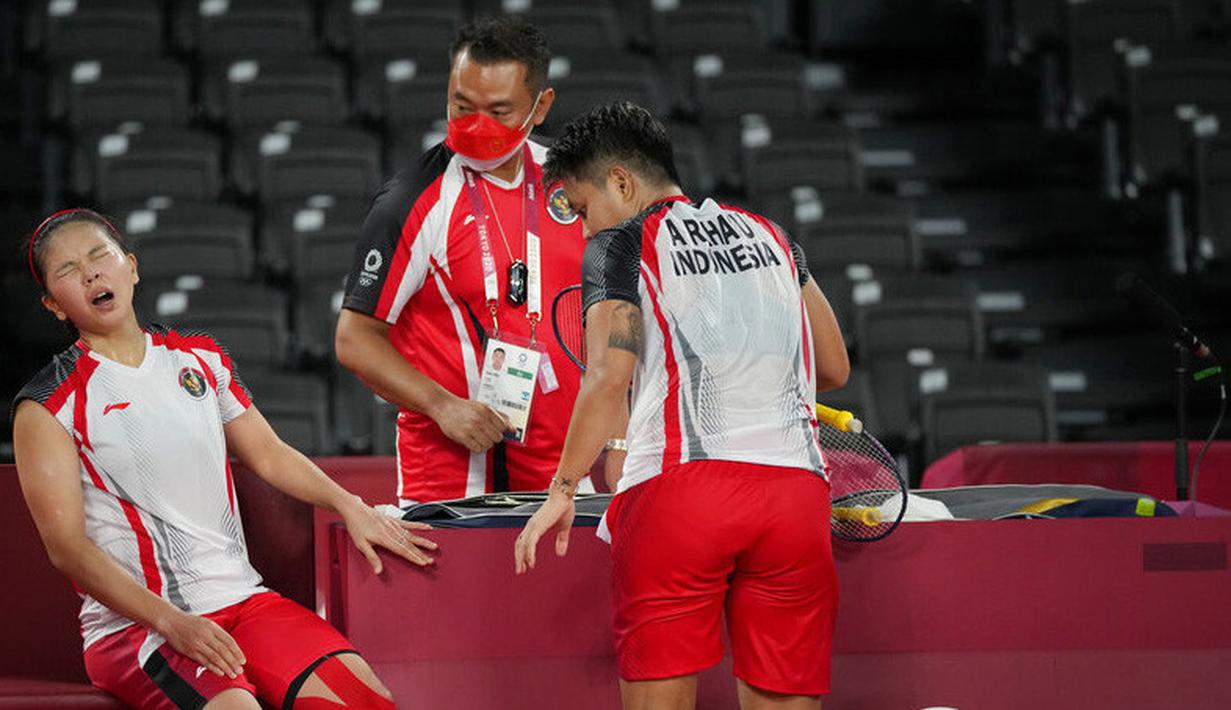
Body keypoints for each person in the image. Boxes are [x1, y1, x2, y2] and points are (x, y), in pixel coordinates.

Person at [12, 209, 438, 709]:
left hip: (245, 601)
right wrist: (172, 622)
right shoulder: (48, 404)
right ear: (54, 305)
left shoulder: (198, 358)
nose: (90, 273)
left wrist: (350, 505)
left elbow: (271, 455)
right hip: (140, 628)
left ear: (131, 267)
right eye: (67, 271)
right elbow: (67, 548)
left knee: (362, 700)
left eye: (99, 256)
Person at [513, 103, 851, 710]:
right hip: (795, 501)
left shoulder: (620, 244)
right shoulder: (774, 235)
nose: (585, 230)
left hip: (682, 495)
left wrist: (561, 490)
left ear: (621, 181)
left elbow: (607, 378)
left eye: (585, 209)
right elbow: (833, 366)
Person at [335, 16, 594, 506]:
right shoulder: (409, 201)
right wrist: (441, 406)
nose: (478, 125)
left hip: (564, 480)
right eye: (461, 106)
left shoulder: (574, 184)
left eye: (499, 110)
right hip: (451, 489)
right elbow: (354, 338)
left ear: (541, 106)